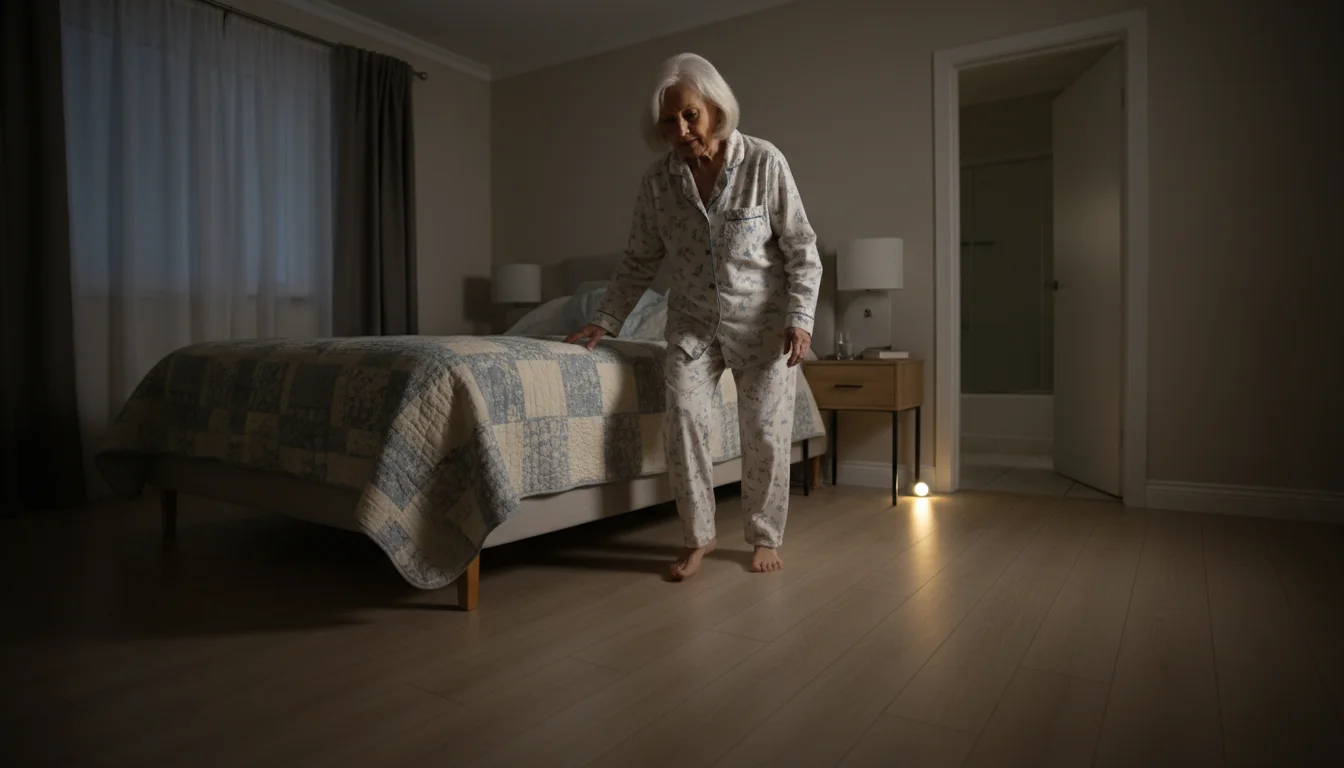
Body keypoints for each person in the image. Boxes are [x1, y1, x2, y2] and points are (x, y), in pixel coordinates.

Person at [565, 53, 822, 581]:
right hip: (691, 325)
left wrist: (800, 318)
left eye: (690, 115)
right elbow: (639, 259)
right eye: (669, 121)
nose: (681, 130)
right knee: (682, 419)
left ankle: (764, 536)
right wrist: (607, 319)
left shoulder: (764, 162)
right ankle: (697, 537)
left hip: (762, 324)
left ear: (715, 109)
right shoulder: (657, 183)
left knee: (764, 433)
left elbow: (801, 248)